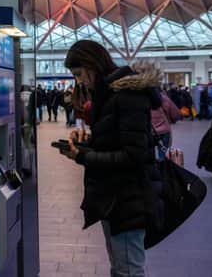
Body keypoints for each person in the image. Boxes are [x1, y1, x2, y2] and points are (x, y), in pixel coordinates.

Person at [59, 40, 161, 277]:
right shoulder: (108, 95)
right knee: (121, 268)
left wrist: (85, 158)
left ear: (91, 65)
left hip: (127, 199)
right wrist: (86, 142)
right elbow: (116, 139)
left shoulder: (126, 95)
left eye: (79, 74)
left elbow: (134, 155)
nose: (79, 81)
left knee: (128, 271)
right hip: (114, 197)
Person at [149, 84, 182, 160]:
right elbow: (176, 115)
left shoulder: (142, 99)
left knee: (149, 156)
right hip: (164, 131)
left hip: (148, 132)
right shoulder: (164, 98)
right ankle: (162, 168)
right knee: (162, 155)